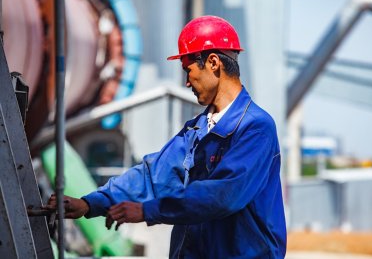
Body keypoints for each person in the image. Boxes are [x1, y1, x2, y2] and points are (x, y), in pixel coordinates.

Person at [46, 15, 287, 258]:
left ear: (213, 63)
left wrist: (147, 210)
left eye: (188, 69)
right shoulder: (199, 130)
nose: (186, 81)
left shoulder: (256, 128)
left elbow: (222, 195)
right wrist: (91, 203)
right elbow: (152, 176)